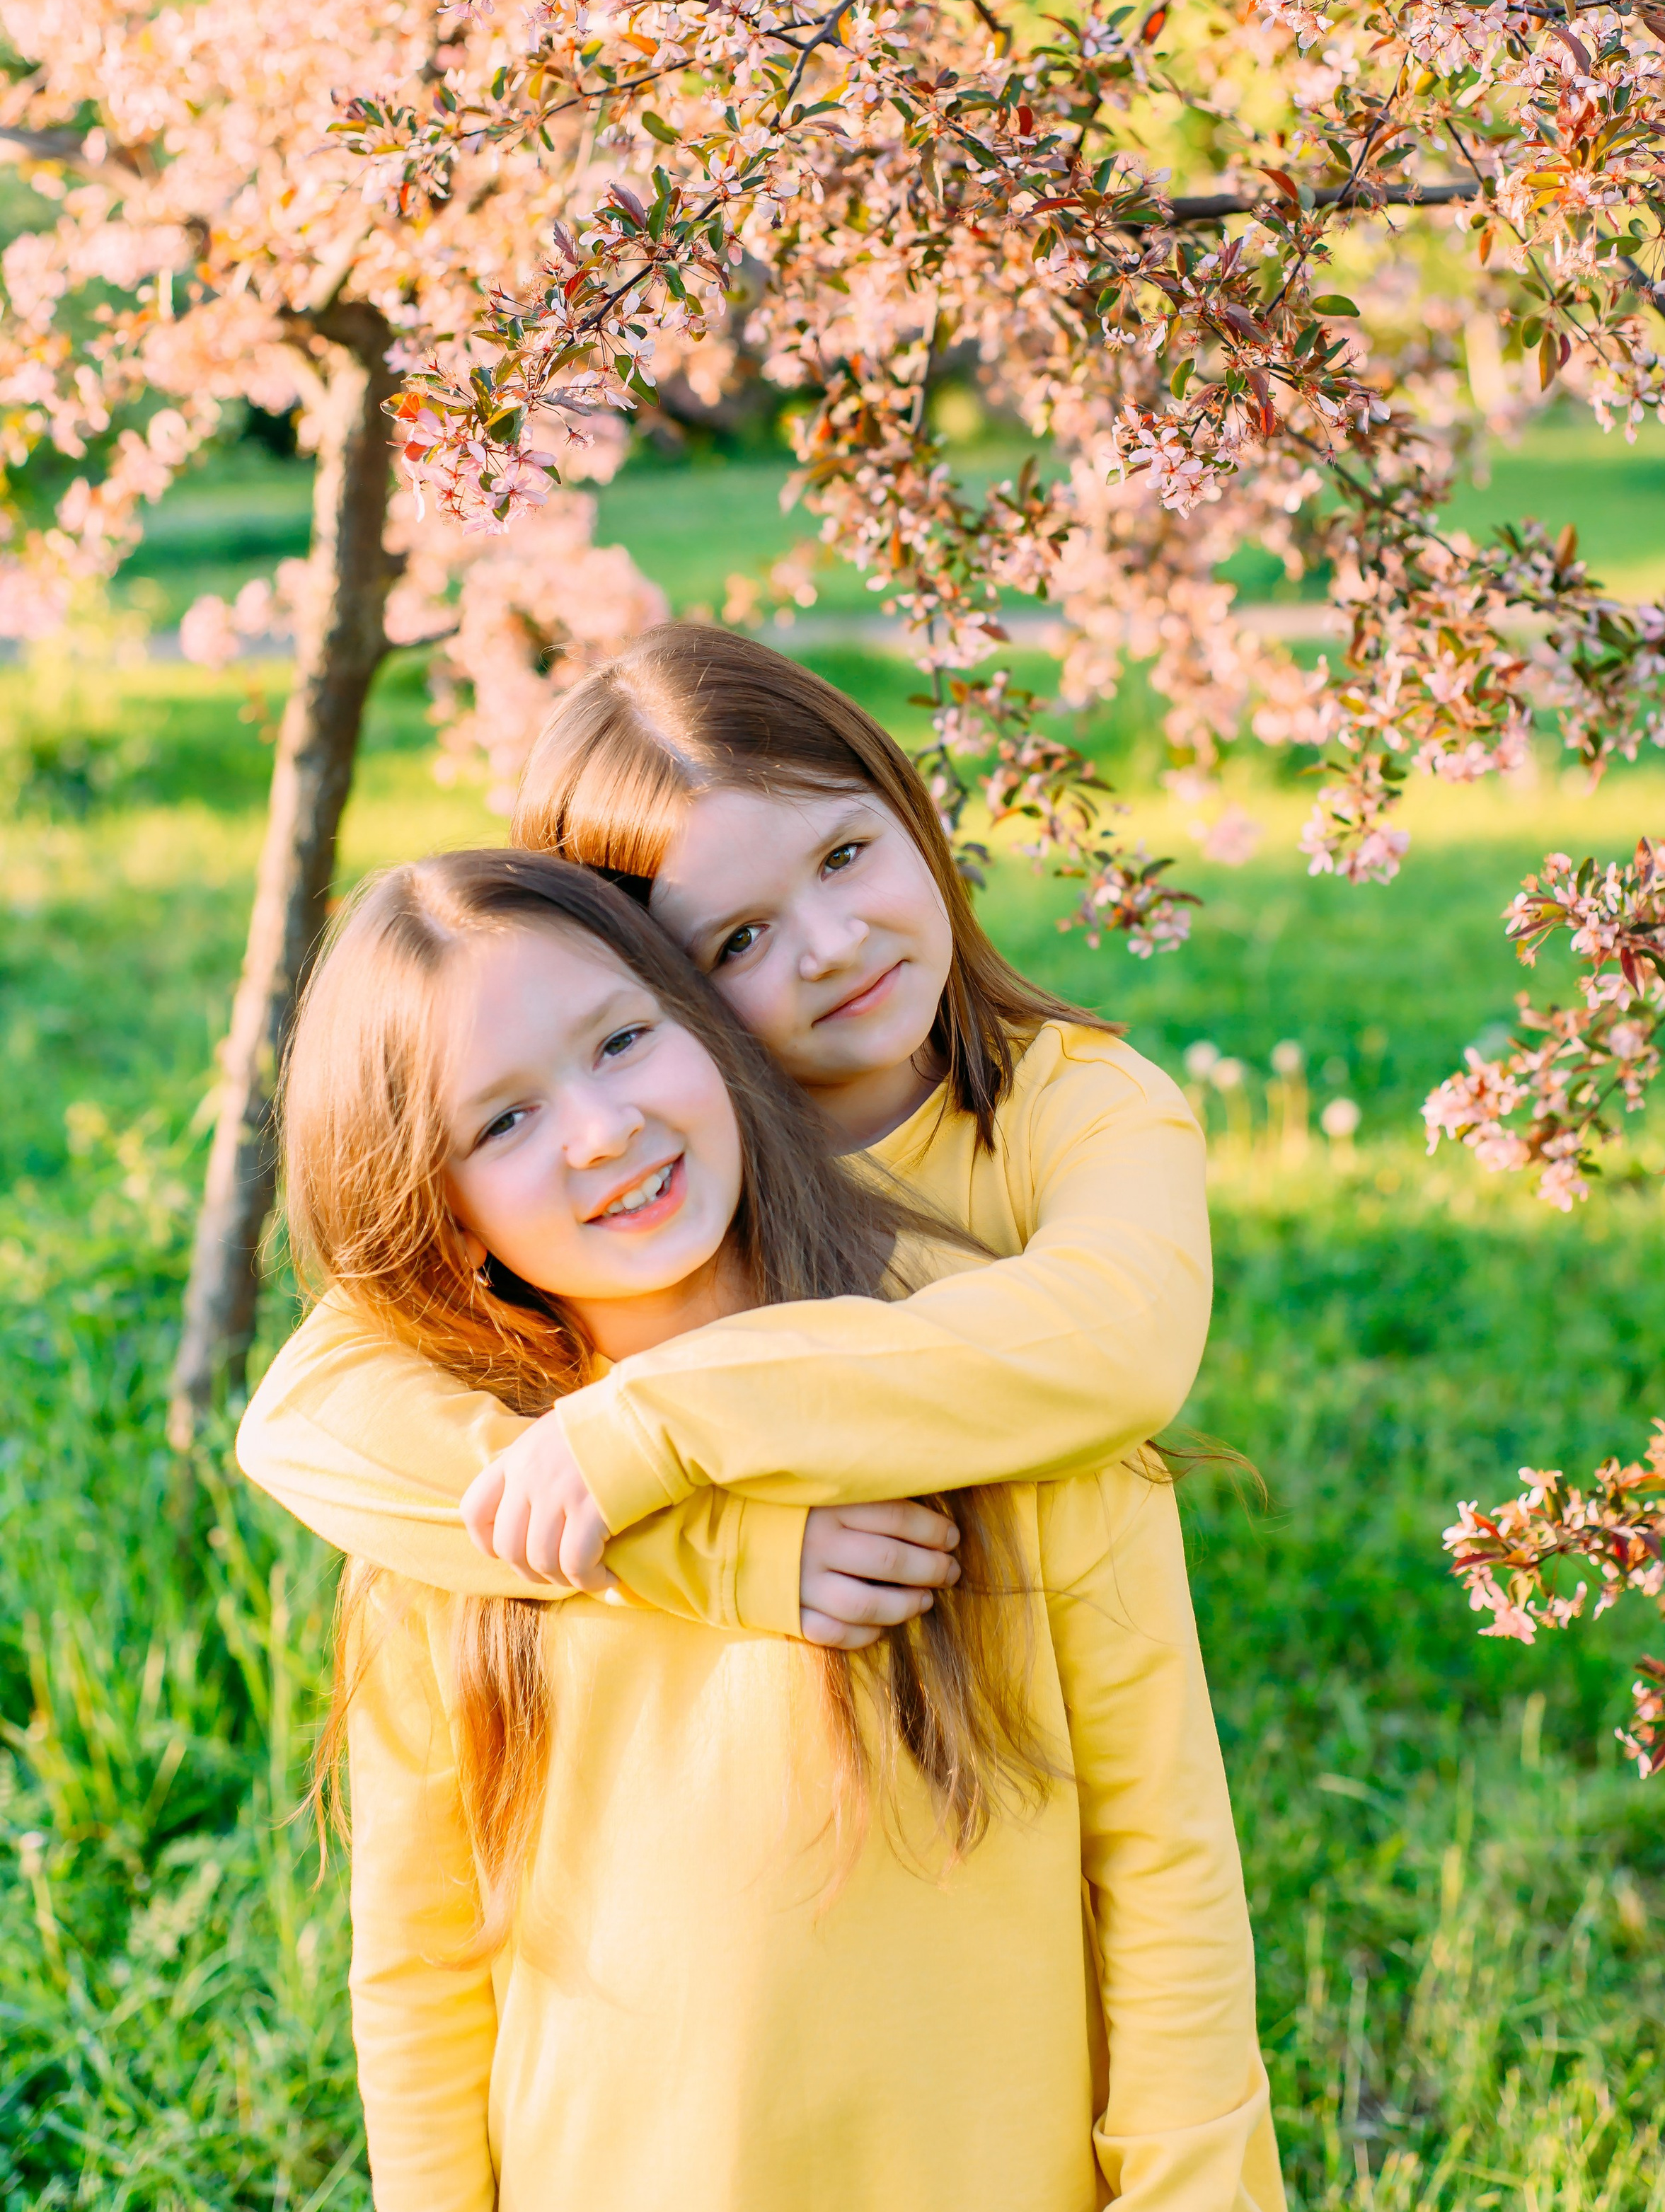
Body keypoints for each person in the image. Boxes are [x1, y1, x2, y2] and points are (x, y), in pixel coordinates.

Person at [280, 848, 1286, 2212]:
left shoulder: (971, 1380)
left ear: (712, 1029)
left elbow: (1163, 1869)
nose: (599, 1130)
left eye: (625, 1039)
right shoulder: (464, 1496)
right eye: (501, 1121)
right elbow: (422, 1965)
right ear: (433, 1207)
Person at [238, 627, 1217, 1656]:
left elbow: (1121, 1338)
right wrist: (705, 1544)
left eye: (844, 856)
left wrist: (652, 1429)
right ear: (642, 970)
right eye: (740, 938)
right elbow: (306, 1417)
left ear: (909, 809)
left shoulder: (1082, 1104)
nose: (834, 947)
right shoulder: (646, 1176)